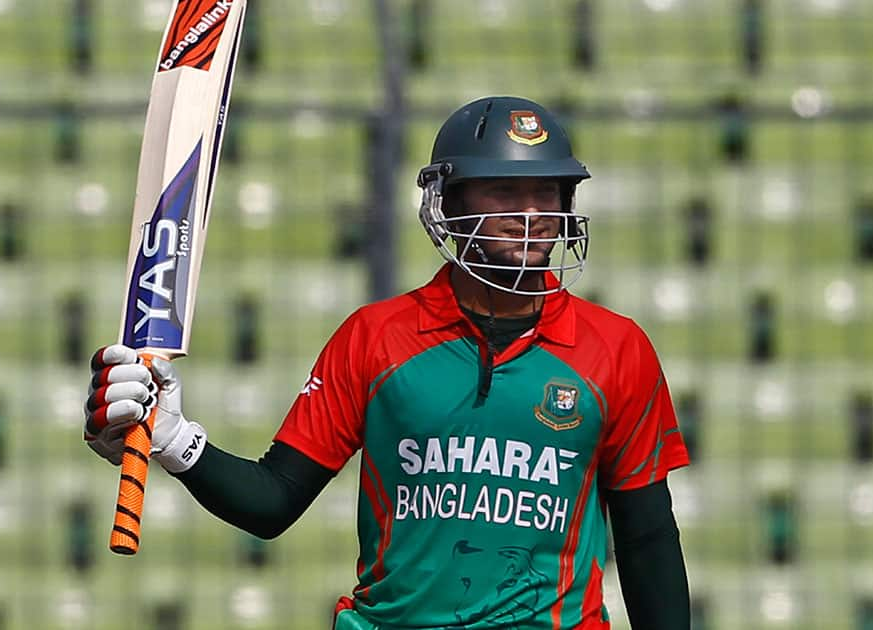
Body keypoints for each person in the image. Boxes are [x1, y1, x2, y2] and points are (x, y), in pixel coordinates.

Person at [84, 96, 691, 629]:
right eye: (504, 191)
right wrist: (172, 437)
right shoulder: (374, 339)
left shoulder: (616, 347)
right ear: (449, 205)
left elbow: (647, 537)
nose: (530, 213)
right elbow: (271, 504)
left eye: (546, 192)